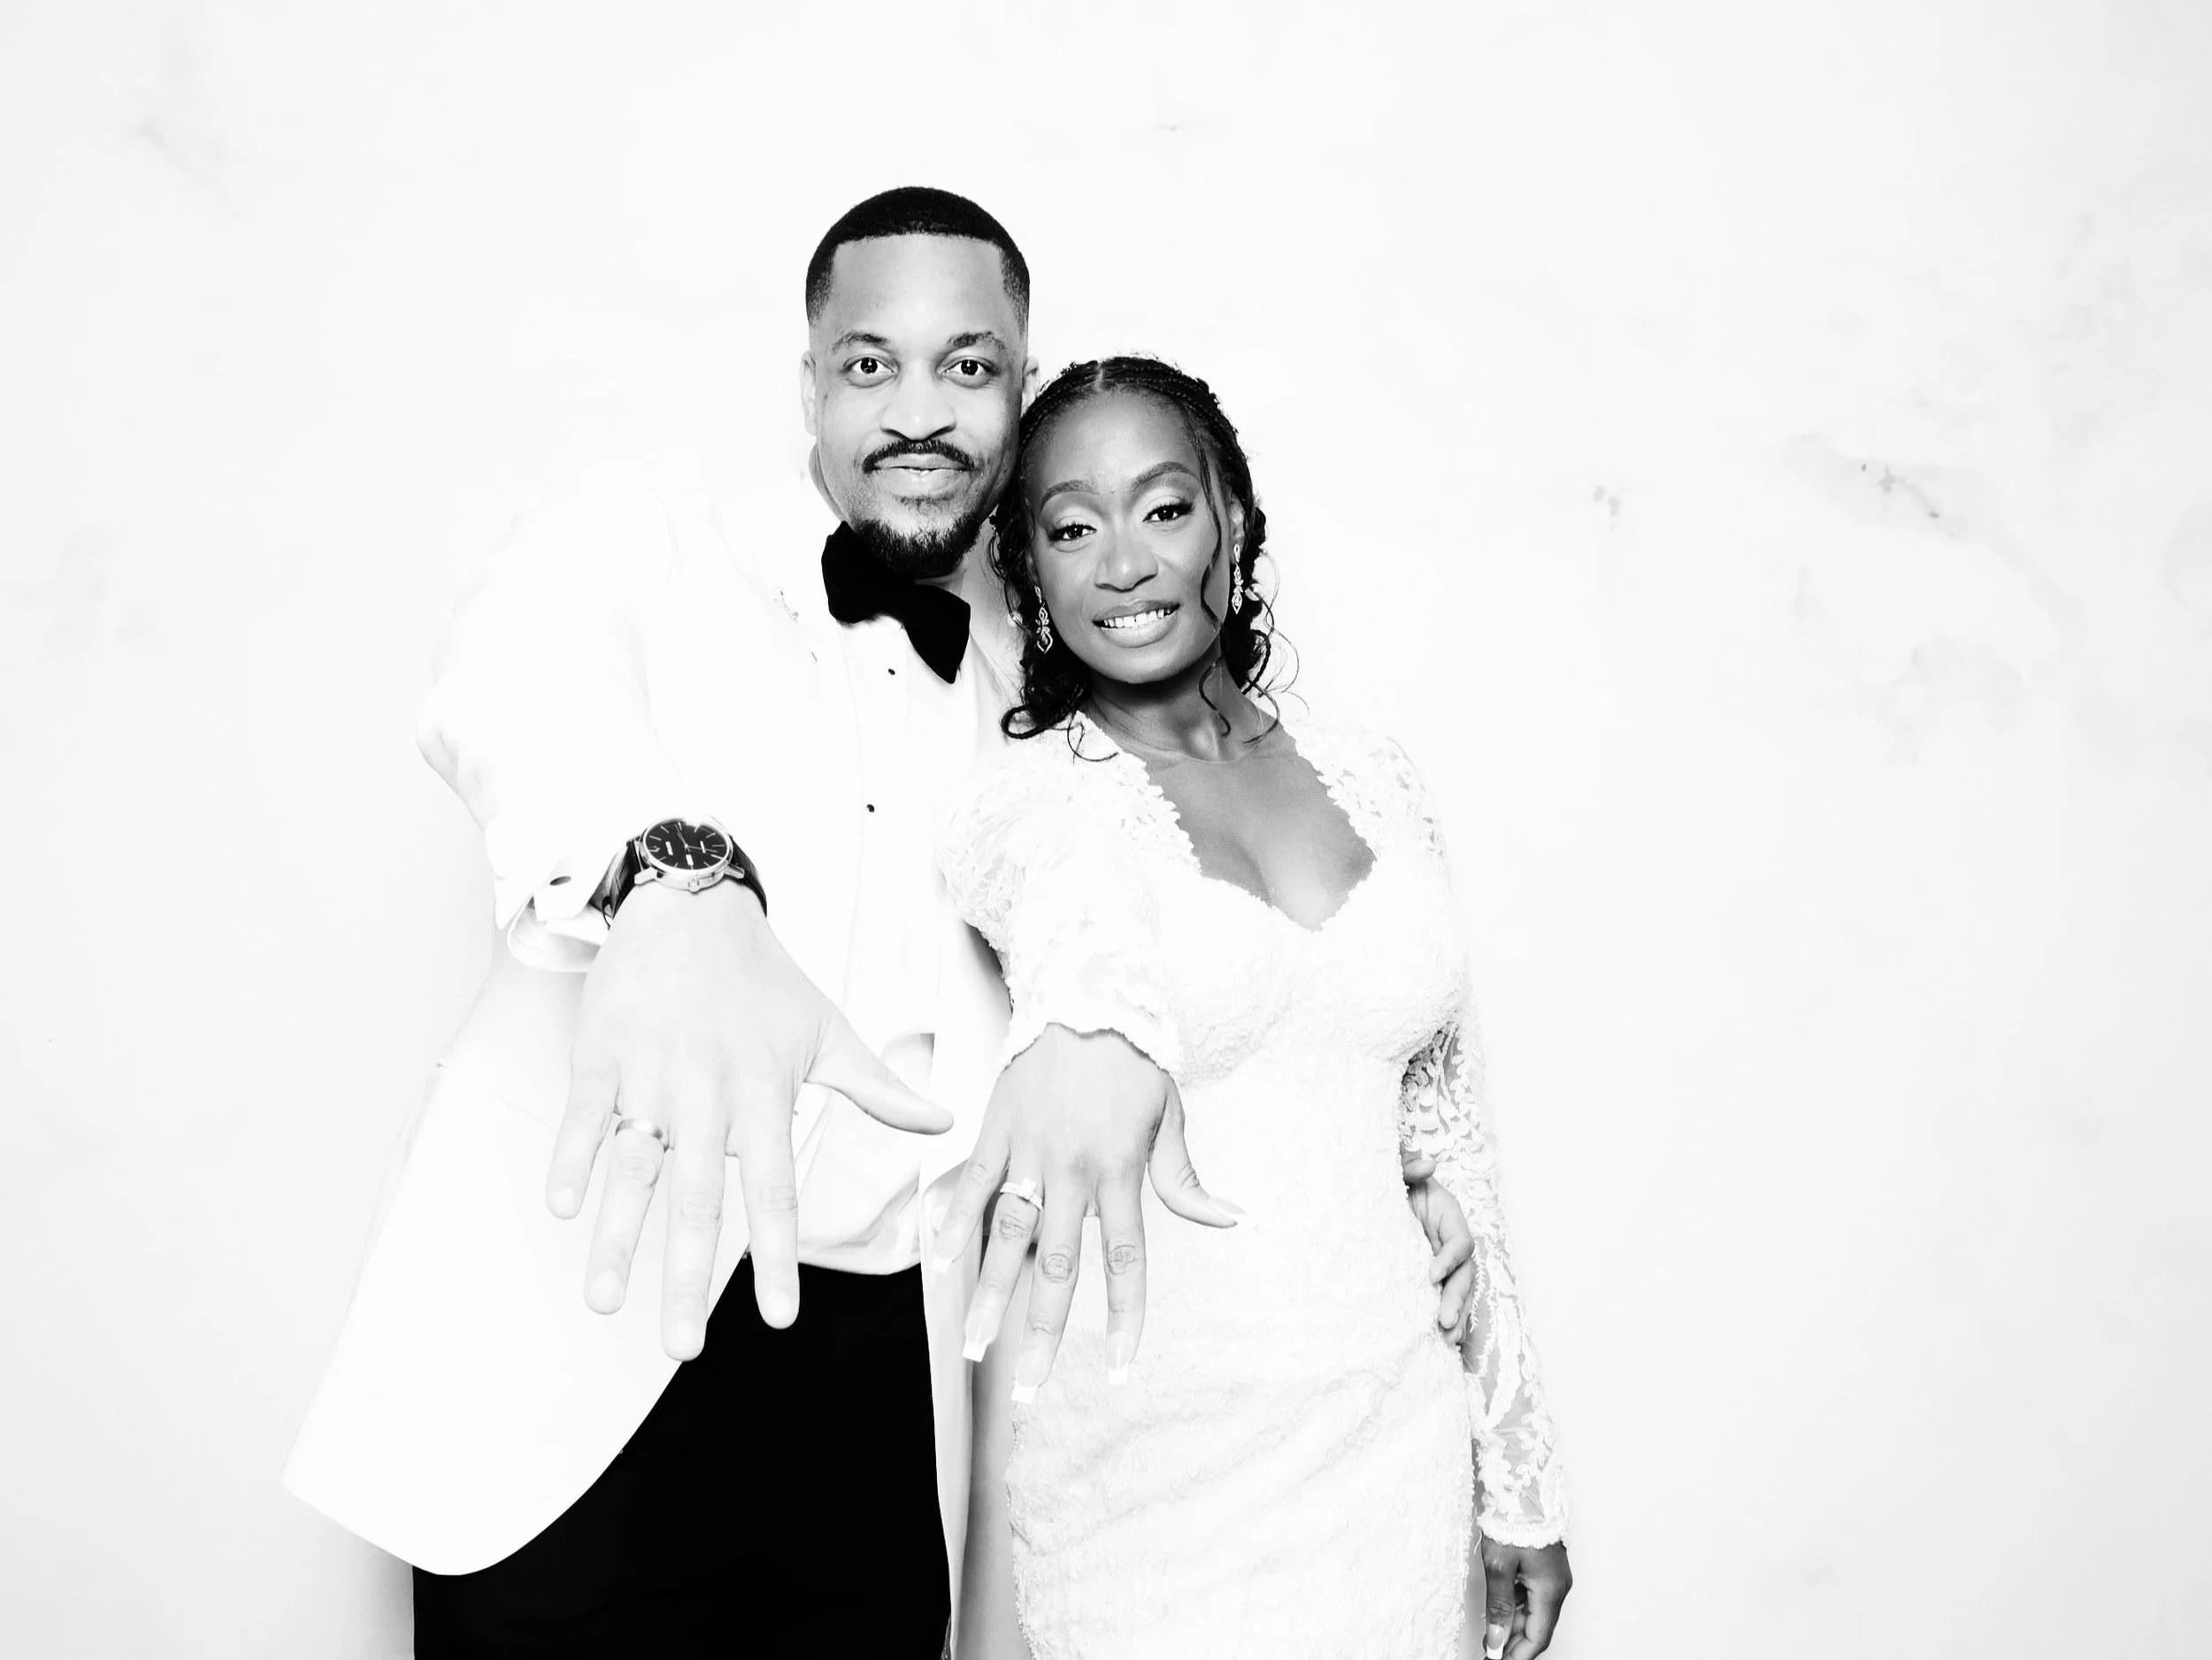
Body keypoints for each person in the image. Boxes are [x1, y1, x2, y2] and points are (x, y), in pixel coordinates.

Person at [283, 188, 1479, 1656]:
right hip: (581, 1371)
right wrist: (673, 878)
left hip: (877, 1412)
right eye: (872, 364)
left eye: (968, 367)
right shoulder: (653, 549)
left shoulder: (1048, 696)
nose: (919, 412)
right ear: (810, 385)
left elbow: (1170, 951)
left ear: (1017, 397)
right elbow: (513, 681)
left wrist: (1374, 1187)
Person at [937, 358, 1573, 1659]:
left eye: (1164, 508)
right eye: (1073, 528)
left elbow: (1451, 1147)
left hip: (1391, 1452)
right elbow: (1069, 949)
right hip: (1154, 1491)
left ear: (1231, 518)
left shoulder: (1378, 780)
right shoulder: (1031, 813)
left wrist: (1518, 1483)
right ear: (1033, 576)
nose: (1124, 563)